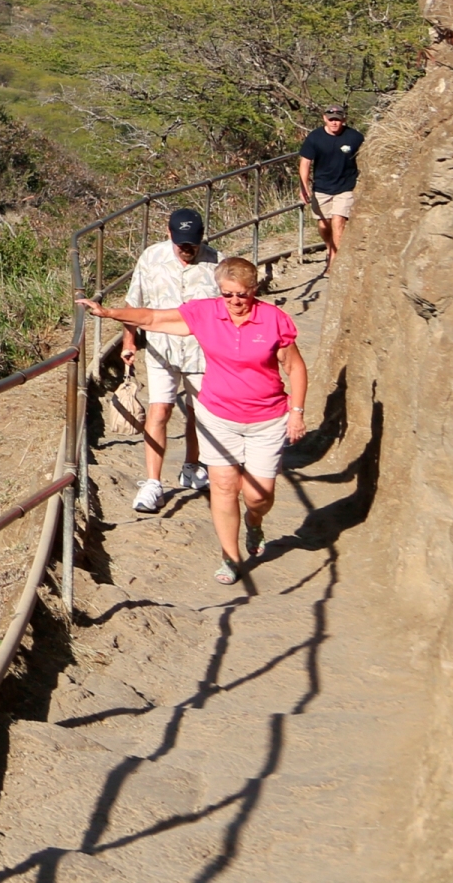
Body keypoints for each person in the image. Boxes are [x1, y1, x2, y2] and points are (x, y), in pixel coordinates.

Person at [82, 257, 308, 585]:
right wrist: (110, 313)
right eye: (227, 294)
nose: (233, 301)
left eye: (240, 295)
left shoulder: (273, 320)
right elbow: (154, 317)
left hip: (267, 418)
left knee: (259, 495)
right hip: (218, 415)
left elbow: (296, 367)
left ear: (253, 290)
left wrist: (297, 413)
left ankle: (254, 521)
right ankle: (229, 557)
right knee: (224, 485)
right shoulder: (206, 312)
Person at [120, 208, 219, 513]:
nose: (187, 250)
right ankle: (153, 482)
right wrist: (129, 340)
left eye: (192, 244)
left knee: (198, 413)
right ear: (169, 233)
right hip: (161, 348)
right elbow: (133, 302)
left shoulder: (218, 261)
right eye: (181, 244)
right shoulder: (151, 258)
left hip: (203, 352)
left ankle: (192, 467)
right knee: (159, 410)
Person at [299, 105, 365, 272]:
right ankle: (330, 248)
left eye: (337, 119)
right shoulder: (315, 138)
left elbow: (366, 157)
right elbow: (305, 162)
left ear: (344, 119)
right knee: (323, 225)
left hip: (345, 187)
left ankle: (334, 263)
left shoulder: (354, 137)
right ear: (324, 119)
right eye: (331, 119)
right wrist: (303, 186)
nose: (334, 122)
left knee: (338, 221)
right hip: (322, 187)